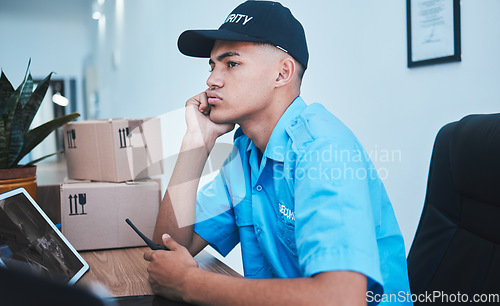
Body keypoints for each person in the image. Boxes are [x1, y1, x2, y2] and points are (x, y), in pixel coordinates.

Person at [145, 1, 412, 305]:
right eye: (212, 66)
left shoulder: (323, 150)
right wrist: (197, 143)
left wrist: (189, 283)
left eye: (231, 64)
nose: (211, 80)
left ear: (282, 73)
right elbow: (170, 247)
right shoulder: (246, 152)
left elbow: (343, 298)